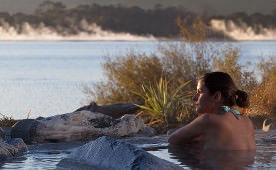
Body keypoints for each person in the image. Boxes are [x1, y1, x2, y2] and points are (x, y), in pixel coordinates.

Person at [168, 72, 256, 150]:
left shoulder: (208, 120)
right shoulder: (247, 122)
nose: (194, 98)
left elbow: (172, 140)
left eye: (200, 92)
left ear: (216, 96)